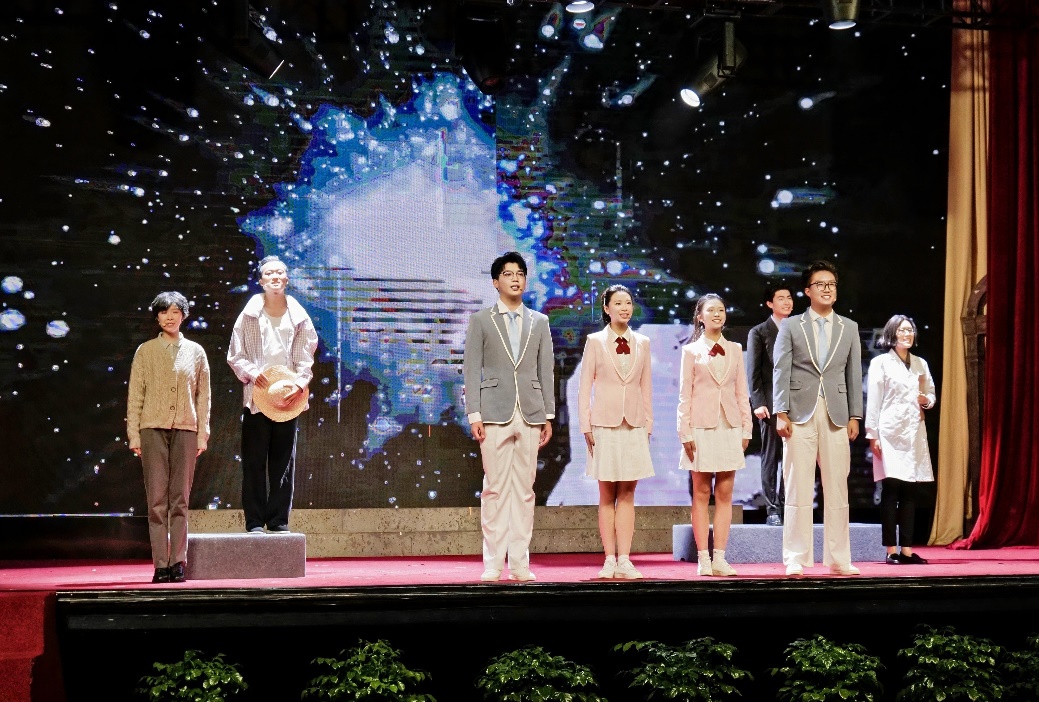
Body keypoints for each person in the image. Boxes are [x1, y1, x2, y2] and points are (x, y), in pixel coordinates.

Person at [463, 251, 555, 583]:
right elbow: (471, 368)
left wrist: (548, 414)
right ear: (495, 282)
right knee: (495, 489)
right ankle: (493, 563)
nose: (515, 278)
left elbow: (546, 369)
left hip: (530, 412)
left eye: (520, 273)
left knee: (525, 490)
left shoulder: (539, 321)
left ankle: (519, 563)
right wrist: (474, 413)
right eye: (507, 273)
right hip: (493, 412)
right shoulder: (481, 320)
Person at [773, 260, 863, 576]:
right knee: (797, 486)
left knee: (837, 487)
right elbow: (781, 369)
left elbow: (853, 374)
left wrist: (855, 415)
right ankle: (795, 557)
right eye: (820, 284)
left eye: (831, 284)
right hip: (798, 413)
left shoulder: (849, 327)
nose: (827, 289)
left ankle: (839, 558)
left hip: (837, 414)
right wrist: (781, 412)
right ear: (807, 290)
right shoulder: (791, 326)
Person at [227, 255, 318, 534]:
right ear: (261, 280)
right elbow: (236, 355)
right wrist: (253, 373)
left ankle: (278, 520)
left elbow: (305, 357)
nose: (275, 277)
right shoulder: (249, 315)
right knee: (254, 461)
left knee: (283, 463)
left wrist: (300, 384)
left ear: (287, 279)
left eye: (280, 272)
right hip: (258, 396)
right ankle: (254, 521)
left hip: (287, 397)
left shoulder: (299, 316)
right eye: (269, 273)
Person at [126, 291, 211, 584]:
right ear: (157, 317)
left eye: (175, 311)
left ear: (184, 315)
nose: (170, 317)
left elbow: (203, 397)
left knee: (180, 500)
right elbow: (135, 395)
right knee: (156, 501)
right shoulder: (145, 351)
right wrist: (134, 434)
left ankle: (178, 562)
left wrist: (202, 433)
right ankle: (160, 564)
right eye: (164, 312)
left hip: (186, 430)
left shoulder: (196, 352)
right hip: (151, 430)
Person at [578, 284, 655, 580]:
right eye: (618, 303)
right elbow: (585, 386)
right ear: (606, 308)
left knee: (628, 492)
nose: (625, 308)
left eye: (628, 303)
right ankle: (609, 559)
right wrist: (585, 424)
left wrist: (648, 424)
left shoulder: (643, 342)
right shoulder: (595, 341)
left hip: (634, 424)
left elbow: (646, 386)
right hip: (604, 425)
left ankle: (625, 559)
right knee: (606, 493)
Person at [677, 293, 753, 577]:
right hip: (700, 427)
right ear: (700, 317)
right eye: (711, 310)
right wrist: (684, 431)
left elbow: (741, 392)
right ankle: (703, 558)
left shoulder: (734, 349)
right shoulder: (690, 351)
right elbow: (685, 395)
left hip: (729, 426)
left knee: (725, 493)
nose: (717, 314)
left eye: (721, 309)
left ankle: (720, 557)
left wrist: (746, 428)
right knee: (700, 492)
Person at [864, 315, 936, 565]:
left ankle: (907, 549)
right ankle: (890, 550)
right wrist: (872, 434)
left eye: (910, 330)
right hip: (889, 433)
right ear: (892, 334)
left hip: (914, 432)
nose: (908, 334)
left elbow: (931, 395)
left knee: (910, 492)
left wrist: (925, 400)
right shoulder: (881, 363)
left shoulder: (920, 363)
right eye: (903, 330)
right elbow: (873, 401)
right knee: (891, 490)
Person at [746, 283, 795, 527]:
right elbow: (753, 371)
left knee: (792, 456)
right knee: (771, 455)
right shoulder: (759, 332)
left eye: (789, 297)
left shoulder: (798, 329)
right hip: (770, 404)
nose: (787, 302)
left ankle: (788, 505)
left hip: (797, 403)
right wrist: (758, 402)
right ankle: (773, 508)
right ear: (769, 303)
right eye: (781, 298)